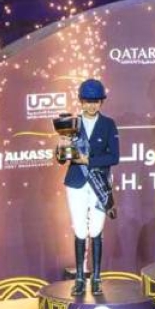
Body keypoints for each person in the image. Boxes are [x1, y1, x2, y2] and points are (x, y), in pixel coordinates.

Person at [57, 78, 119, 296]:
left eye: (96, 101)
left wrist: (88, 161)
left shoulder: (108, 124)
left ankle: (97, 277)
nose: (91, 105)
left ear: (101, 102)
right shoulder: (72, 123)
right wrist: (61, 147)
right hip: (76, 183)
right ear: (81, 101)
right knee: (80, 230)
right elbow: (61, 159)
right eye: (87, 101)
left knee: (96, 230)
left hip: (100, 183)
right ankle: (81, 278)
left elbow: (115, 156)